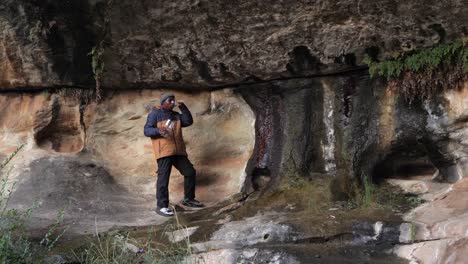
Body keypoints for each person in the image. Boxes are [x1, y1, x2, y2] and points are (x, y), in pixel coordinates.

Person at [144, 93, 204, 217]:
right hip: (164, 152)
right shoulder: (155, 114)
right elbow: (146, 130)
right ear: (163, 102)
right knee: (163, 179)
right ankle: (162, 206)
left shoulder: (176, 115)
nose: (172, 102)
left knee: (190, 172)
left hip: (178, 152)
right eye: (170, 100)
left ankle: (189, 199)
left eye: (173, 101)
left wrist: (183, 107)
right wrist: (158, 130)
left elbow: (188, 121)